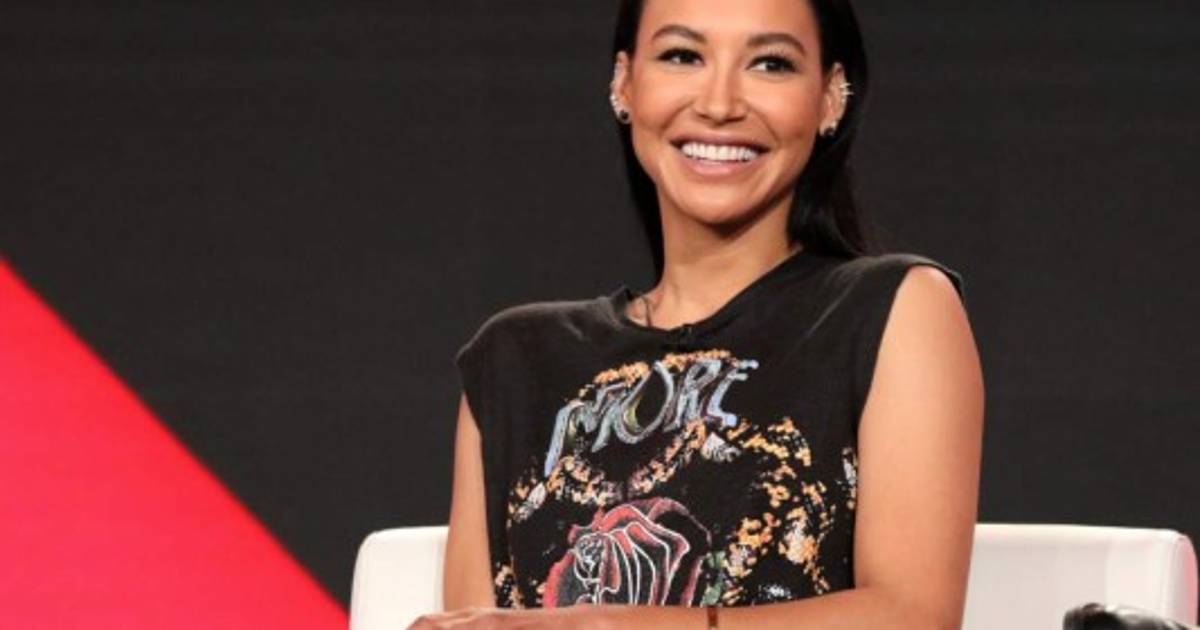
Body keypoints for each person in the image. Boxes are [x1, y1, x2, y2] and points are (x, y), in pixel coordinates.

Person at [412, 0, 984, 628]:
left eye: (770, 64)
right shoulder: (516, 359)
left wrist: (610, 625)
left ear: (831, 97)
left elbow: (912, 615)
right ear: (624, 83)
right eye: (683, 55)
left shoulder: (892, 310)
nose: (719, 103)